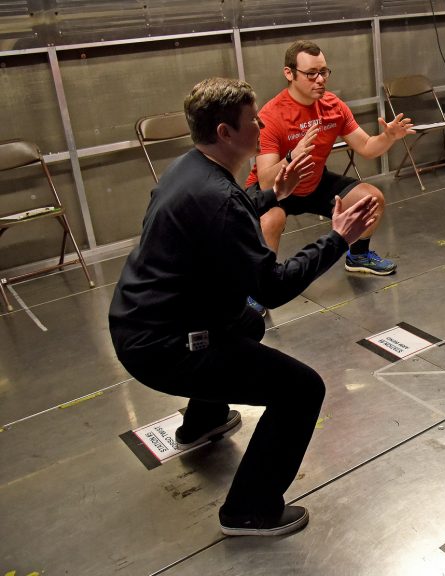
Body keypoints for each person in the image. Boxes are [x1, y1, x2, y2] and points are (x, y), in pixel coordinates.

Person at [109, 77, 380, 537]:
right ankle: (249, 510)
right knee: (301, 390)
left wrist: (275, 193)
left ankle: (202, 423)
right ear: (224, 132)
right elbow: (272, 287)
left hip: (144, 323)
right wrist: (338, 240)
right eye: (252, 120)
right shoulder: (216, 196)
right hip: (165, 346)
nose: (260, 125)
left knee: (246, 322)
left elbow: (229, 210)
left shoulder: (189, 169)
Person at [246, 39, 414, 282]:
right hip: (278, 188)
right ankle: (259, 283)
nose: (320, 80)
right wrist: (292, 157)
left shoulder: (333, 106)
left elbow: (367, 147)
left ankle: (358, 256)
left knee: (372, 198)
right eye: (311, 74)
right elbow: (264, 181)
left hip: (313, 182)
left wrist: (388, 137)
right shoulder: (271, 115)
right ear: (289, 74)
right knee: (272, 219)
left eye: (323, 72)